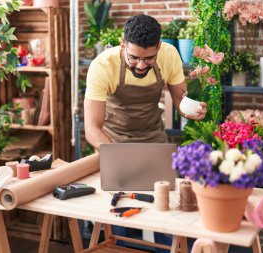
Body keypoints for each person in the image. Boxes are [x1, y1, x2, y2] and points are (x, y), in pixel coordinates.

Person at [84, 14, 207, 252]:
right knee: (122, 225)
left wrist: (192, 110)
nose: (141, 65)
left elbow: (181, 99)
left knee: (167, 218)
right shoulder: (103, 66)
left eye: (149, 58)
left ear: (159, 47)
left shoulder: (169, 55)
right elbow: (92, 130)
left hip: (154, 143)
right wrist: (124, 158)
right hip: (114, 145)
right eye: (134, 58)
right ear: (123, 45)